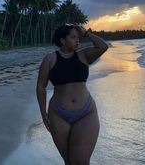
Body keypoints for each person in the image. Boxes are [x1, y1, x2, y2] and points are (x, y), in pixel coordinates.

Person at [36, 22, 109, 165]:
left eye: (78, 37)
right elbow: (41, 86)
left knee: (81, 161)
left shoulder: (84, 55)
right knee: (69, 161)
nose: (77, 40)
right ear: (63, 40)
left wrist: (86, 33)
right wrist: (43, 113)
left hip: (86, 113)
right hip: (58, 114)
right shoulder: (50, 59)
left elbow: (103, 46)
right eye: (73, 37)